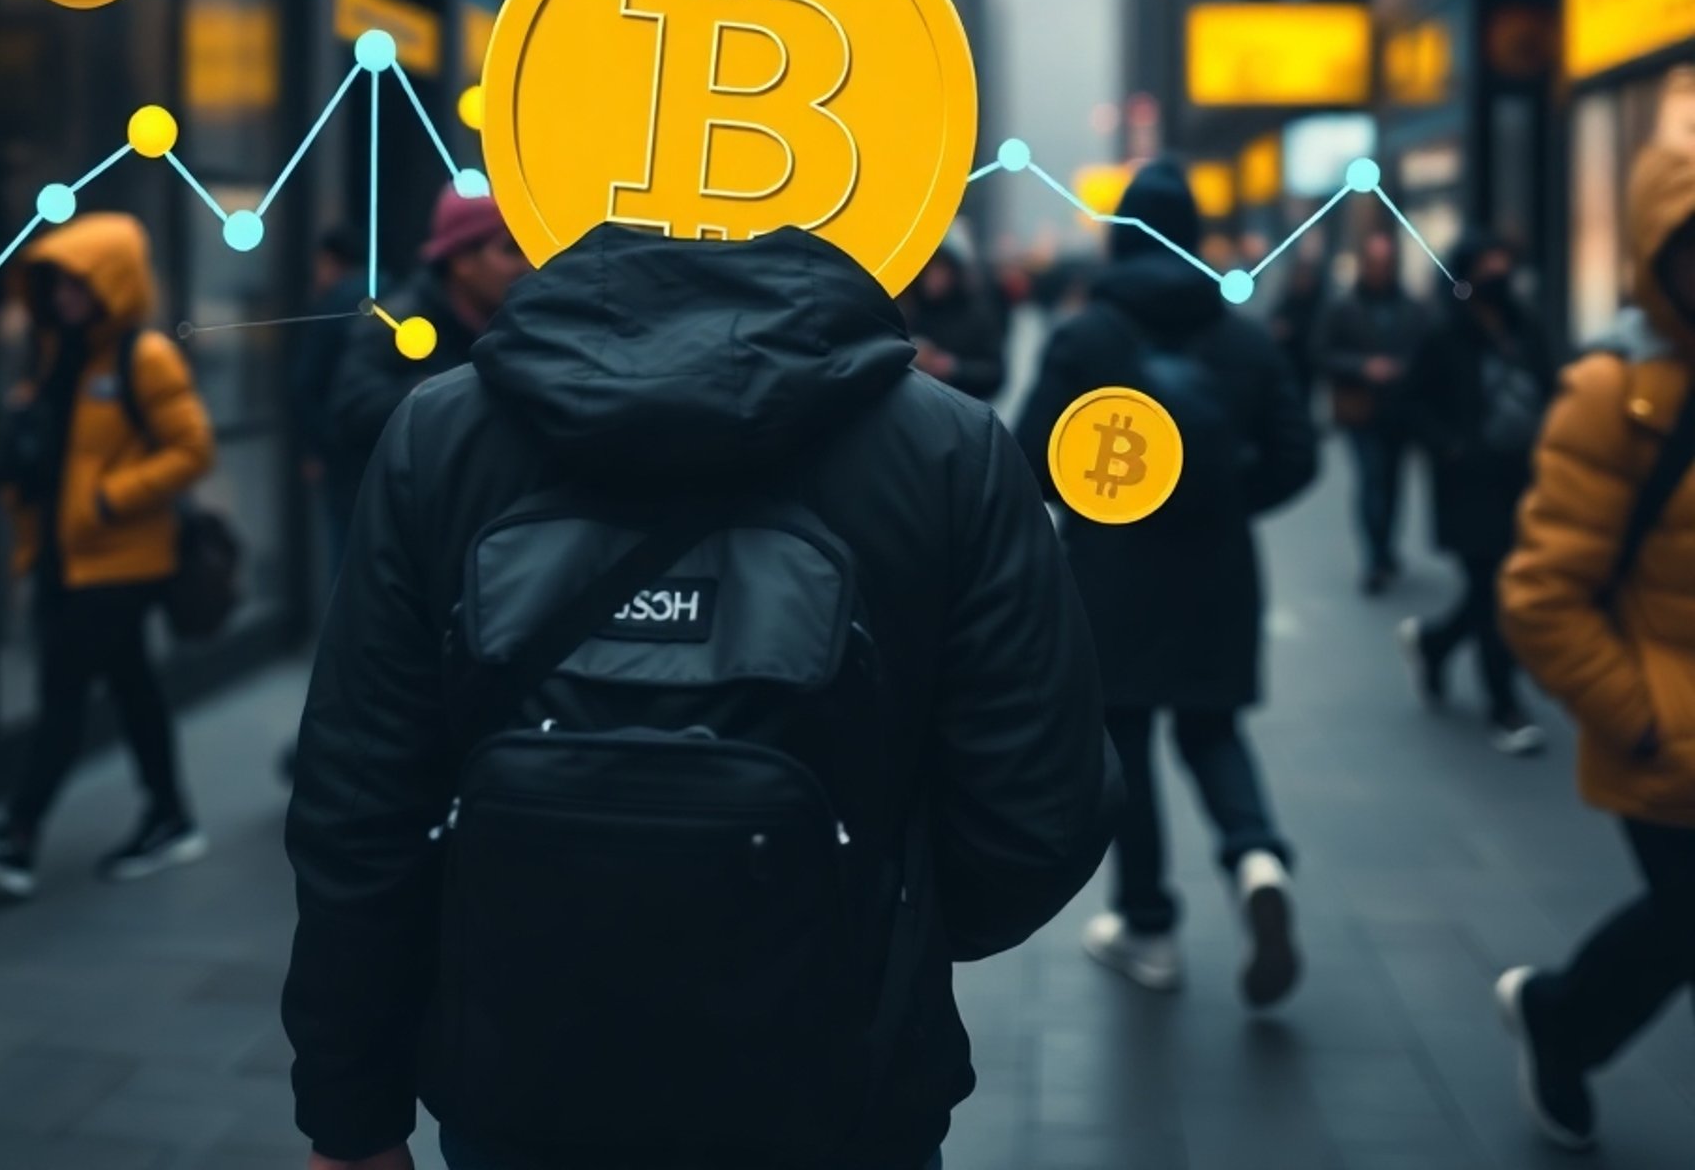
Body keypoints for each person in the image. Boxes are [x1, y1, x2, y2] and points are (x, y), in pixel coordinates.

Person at [283, 220, 1118, 1170]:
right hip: (840, 1094)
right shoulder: (947, 448)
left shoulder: (442, 434)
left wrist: (350, 1110)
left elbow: (360, 799)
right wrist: (875, 920)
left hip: (521, 1081)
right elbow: (1041, 809)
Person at [1013, 159, 1317, 1007]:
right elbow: (1298, 455)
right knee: (1212, 731)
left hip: (1113, 577)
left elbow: (1034, 461)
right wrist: (1227, 499)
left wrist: (1107, 493)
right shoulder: (1244, 338)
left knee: (1128, 748)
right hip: (1217, 571)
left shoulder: (1087, 337)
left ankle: (1147, 928)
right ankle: (1255, 854)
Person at [1491, 141, 1695, 1152]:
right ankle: (1562, 1021)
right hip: (1669, 734)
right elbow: (1541, 596)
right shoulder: (1618, 398)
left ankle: (1560, 1017)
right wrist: (1643, 717)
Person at [0, 213, 215, 897]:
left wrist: (112, 498)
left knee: (63, 694)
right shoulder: (60, 356)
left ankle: (18, 833)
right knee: (132, 688)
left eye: (78, 285)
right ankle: (172, 816)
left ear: (113, 284)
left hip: (122, 562)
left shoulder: (142, 358)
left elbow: (192, 450)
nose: (63, 297)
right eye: (56, 285)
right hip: (67, 557)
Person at [1397, 232, 1551, 755]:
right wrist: (1449, 447)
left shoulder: (1525, 329)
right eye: (1487, 263)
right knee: (1495, 594)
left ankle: (1434, 644)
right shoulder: (1444, 336)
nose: (1498, 272)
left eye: (1503, 261)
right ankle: (1504, 707)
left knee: (1495, 591)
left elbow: (1551, 388)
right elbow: (1411, 404)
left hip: (1524, 481)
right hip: (1470, 488)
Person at [320, 180, 530, 528]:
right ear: (462, 260)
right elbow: (351, 410)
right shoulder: (395, 324)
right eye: (510, 249)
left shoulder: (517, 326)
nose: (526, 265)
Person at [1315, 228, 1431, 593]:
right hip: (1361, 409)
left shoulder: (1411, 308)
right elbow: (1320, 352)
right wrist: (1362, 367)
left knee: (1392, 484)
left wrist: (1404, 370)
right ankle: (1375, 556)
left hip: (1399, 409)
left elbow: (1428, 352)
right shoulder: (1344, 308)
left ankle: (1384, 549)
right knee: (1372, 481)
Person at [292, 226, 369, 588]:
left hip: (343, 453)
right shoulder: (393, 293)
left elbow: (307, 383)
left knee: (345, 558)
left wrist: (314, 449)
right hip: (388, 446)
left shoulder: (332, 306)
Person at [897, 222, 1007, 399]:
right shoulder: (906, 310)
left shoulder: (976, 315)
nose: (935, 279)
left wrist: (954, 367)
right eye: (930, 271)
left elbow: (995, 372)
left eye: (942, 271)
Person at [1266, 251, 1326, 411]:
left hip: (1309, 369)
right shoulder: (1286, 302)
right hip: (1287, 367)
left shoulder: (1320, 307)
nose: (1302, 280)